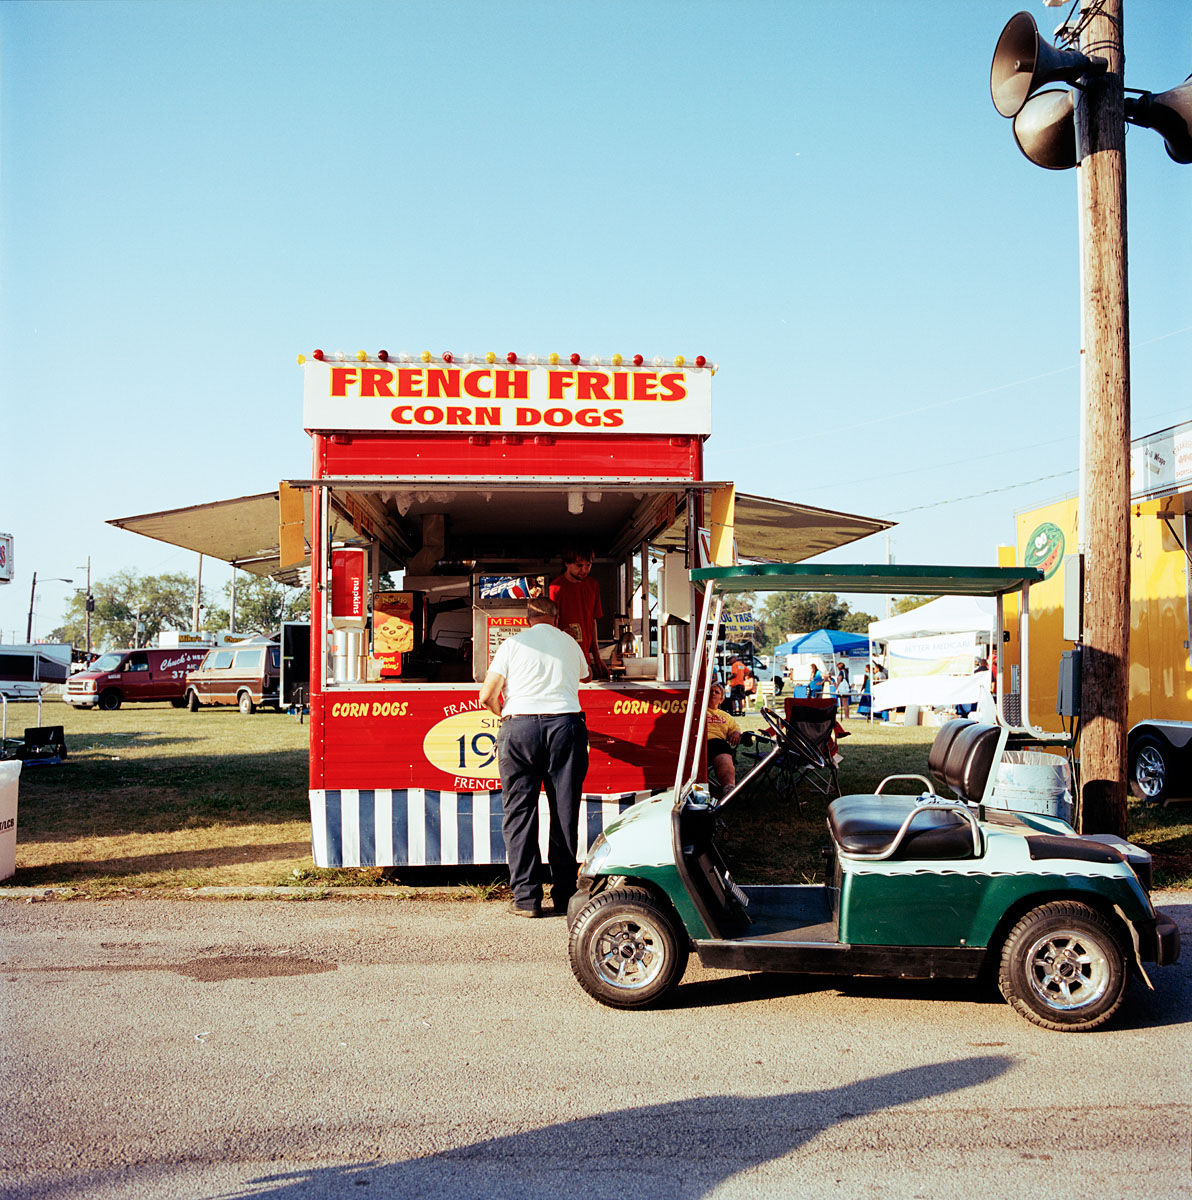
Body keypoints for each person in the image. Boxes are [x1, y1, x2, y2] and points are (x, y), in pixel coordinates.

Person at [479, 596, 591, 917]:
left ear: (527, 619)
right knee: (564, 813)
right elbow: (585, 676)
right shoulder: (569, 643)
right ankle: (565, 894)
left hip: (520, 728)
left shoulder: (512, 643)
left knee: (519, 814)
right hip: (565, 728)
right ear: (555, 619)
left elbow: (486, 695)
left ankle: (526, 899)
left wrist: (505, 715)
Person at [549, 547, 608, 679]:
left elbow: (593, 621)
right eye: (579, 565)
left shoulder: (593, 585)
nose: (584, 570)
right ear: (567, 564)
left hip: (585, 656)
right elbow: (548, 625)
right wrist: (560, 633)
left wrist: (597, 657)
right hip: (561, 657)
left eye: (588, 565)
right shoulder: (555, 588)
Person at [706, 681, 741, 793]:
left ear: (721, 699)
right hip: (697, 744)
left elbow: (735, 730)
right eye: (710, 691)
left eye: (717, 692)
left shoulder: (726, 716)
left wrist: (736, 733)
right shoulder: (697, 710)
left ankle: (729, 787)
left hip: (716, 745)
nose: (713, 693)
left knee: (721, 747)